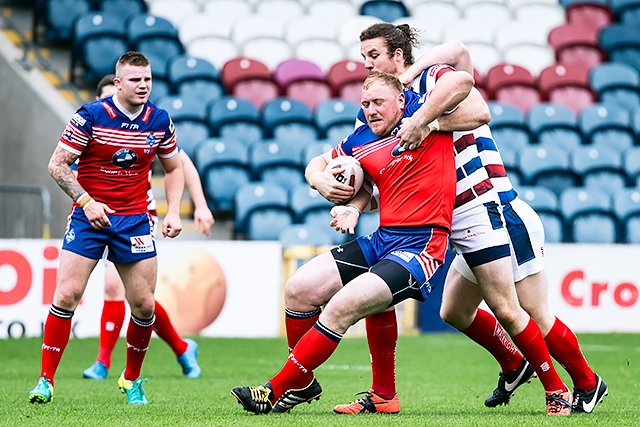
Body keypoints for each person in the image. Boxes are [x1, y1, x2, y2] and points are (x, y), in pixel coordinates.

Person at [330, 24, 605, 415]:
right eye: (364, 58)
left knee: (524, 312)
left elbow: (477, 103)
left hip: (491, 207)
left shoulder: (432, 78)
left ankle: (584, 384)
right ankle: (515, 362)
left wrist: (425, 118)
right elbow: (381, 179)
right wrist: (349, 200)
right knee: (453, 312)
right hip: (445, 219)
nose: (367, 64)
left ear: (397, 55)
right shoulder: (379, 107)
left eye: (374, 55)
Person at [231, 70, 469, 414]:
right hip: (383, 238)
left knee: (342, 305)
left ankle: (273, 390)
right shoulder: (361, 140)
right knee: (299, 289)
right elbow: (319, 163)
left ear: (401, 101)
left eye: (379, 103)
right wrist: (324, 184)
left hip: (423, 245)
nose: (371, 110)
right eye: (365, 104)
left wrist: (423, 118)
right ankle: (311, 383)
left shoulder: (428, 117)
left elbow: (462, 81)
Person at [28, 51, 184, 405]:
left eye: (148, 79)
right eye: (135, 80)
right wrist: (86, 201)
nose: (143, 86)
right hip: (88, 216)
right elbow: (57, 164)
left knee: (144, 305)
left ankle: (131, 379)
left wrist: (173, 211)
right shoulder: (90, 116)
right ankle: (45, 380)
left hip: (134, 220)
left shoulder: (159, 120)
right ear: (117, 83)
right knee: (67, 295)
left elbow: (174, 169)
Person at [80, 74, 215, 381]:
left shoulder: (146, 125)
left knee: (124, 291)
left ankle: (102, 363)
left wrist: (200, 206)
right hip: (99, 217)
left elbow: (180, 165)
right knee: (139, 298)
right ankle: (181, 348)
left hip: (135, 217)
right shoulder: (91, 126)